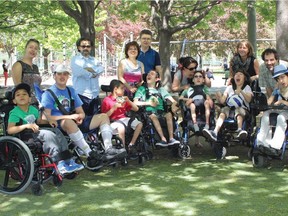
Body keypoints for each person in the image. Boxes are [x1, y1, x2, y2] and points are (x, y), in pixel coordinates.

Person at [41, 64, 126, 168]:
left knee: (103, 116)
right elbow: (45, 118)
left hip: (74, 122)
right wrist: (70, 117)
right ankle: (90, 153)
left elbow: (81, 112)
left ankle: (108, 149)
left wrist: (79, 117)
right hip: (59, 125)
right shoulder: (48, 93)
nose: (62, 76)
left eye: (65, 74)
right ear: (54, 76)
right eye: (59, 74)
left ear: (68, 76)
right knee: (68, 122)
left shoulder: (71, 90)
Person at [7, 83, 84, 175]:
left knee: (57, 131)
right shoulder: (14, 113)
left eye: (24, 94)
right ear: (14, 101)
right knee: (48, 135)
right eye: (18, 95)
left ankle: (68, 160)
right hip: (25, 136)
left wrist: (49, 121)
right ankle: (58, 162)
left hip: (36, 132)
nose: (21, 96)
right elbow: (10, 130)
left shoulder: (33, 109)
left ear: (30, 99)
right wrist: (26, 126)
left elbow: (39, 121)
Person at [203, 69, 253, 142]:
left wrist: (241, 91)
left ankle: (239, 130)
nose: (238, 75)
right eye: (236, 74)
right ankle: (215, 132)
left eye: (240, 74)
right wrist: (219, 97)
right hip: (230, 109)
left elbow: (249, 99)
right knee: (224, 110)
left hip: (242, 109)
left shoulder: (247, 87)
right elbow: (223, 101)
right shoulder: (229, 88)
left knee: (239, 110)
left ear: (244, 78)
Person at [134, 70, 180, 147]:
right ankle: (162, 139)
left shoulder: (161, 90)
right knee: (153, 117)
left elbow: (173, 101)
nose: (148, 75)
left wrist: (174, 105)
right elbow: (135, 102)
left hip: (161, 112)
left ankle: (171, 138)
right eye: (148, 73)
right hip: (149, 112)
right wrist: (148, 103)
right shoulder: (142, 89)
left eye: (151, 74)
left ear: (157, 79)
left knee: (169, 114)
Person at [101, 79, 143, 149]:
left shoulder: (122, 99)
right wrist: (114, 108)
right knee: (121, 127)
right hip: (113, 121)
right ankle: (122, 148)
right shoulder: (107, 100)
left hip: (124, 119)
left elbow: (136, 109)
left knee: (139, 124)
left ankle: (131, 144)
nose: (124, 90)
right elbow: (104, 116)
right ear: (115, 89)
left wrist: (128, 101)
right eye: (122, 88)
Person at [256, 64, 288, 150]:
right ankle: (261, 142)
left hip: (286, 112)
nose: (281, 80)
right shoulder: (278, 90)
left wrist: (281, 101)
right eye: (278, 79)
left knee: (281, 117)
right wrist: (274, 91)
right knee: (266, 114)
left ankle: (275, 146)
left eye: (283, 77)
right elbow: (269, 102)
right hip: (280, 110)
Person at [71, 37, 104, 116]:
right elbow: (78, 72)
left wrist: (87, 70)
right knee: (82, 121)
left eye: (88, 46)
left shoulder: (94, 60)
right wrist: (94, 72)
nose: (86, 48)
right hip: (81, 95)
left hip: (94, 95)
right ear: (78, 47)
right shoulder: (75, 60)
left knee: (95, 120)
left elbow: (101, 69)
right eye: (83, 46)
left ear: (91, 48)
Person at [179, 70, 211, 148]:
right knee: (192, 105)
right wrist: (189, 100)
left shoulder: (205, 88)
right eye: (196, 76)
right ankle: (195, 124)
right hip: (191, 108)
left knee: (206, 103)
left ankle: (207, 124)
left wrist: (206, 99)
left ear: (203, 79)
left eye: (200, 76)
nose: (198, 78)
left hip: (202, 109)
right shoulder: (189, 89)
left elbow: (208, 98)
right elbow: (180, 98)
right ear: (193, 79)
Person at [11, 39, 41, 105]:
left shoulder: (36, 67)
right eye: (31, 47)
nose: (33, 50)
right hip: (24, 105)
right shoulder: (18, 65)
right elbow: (18, 88)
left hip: (37, 103)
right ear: (26, 48)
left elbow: (38, 87)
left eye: (36, 48)